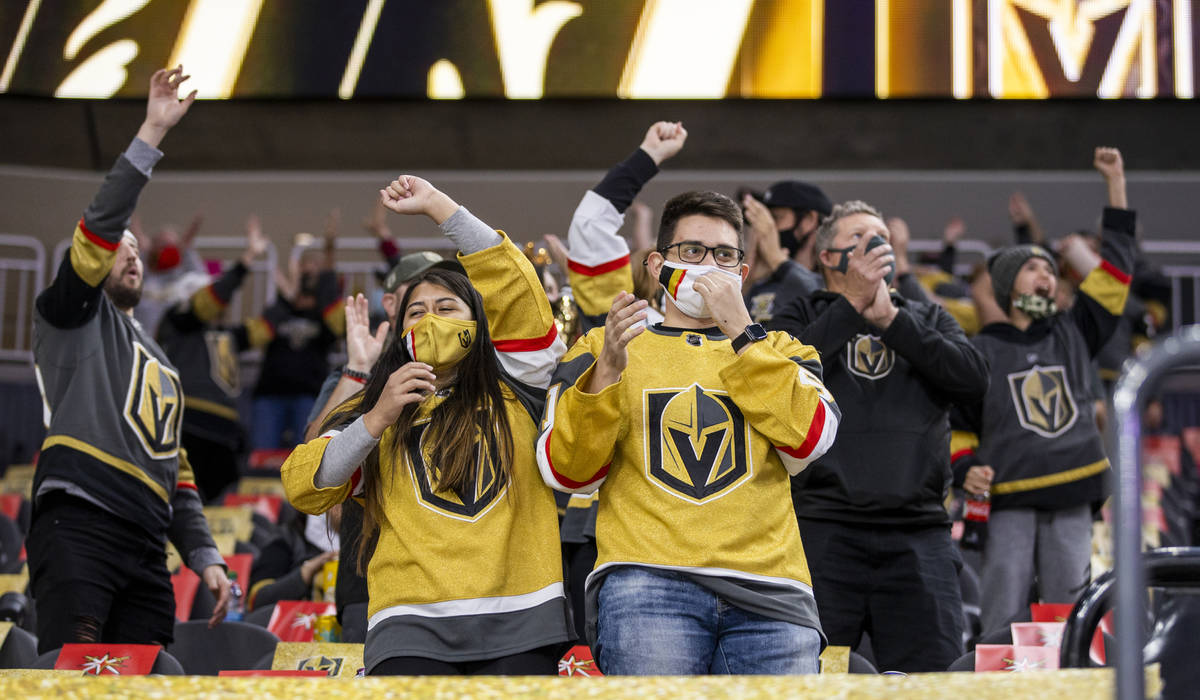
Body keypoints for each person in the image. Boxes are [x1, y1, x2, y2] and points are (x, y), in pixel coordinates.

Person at [538, 190, 840, 675]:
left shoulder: (784, 349)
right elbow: (565, 471)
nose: (708, 266)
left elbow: (811, 440)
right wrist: (608, 373)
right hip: (647, 585)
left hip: (772, 593)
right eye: (692, 252)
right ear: (658, 265)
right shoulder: (604, 345)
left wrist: (742, 332)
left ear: (742, 274)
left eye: (724, 255)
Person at [282, 175, 570, 675]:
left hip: (521, 617)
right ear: (398, 331)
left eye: (446, 308)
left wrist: (440, 207)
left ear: (478, 324)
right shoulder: (378, 409)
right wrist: (375, 418)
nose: (431, 320)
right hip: (408, 625)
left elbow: (513, 286)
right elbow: (305, 484)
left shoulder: (520, 384)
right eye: (416, 311)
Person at [29, 66, 229, 654]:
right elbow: (101, 224)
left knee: (145, 681)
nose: (132, 255)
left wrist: (205, 555)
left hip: (148, 544)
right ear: (91, 258)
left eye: (139, 251)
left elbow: (180, 470)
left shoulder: (163, 363)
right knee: (75, 676)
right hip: (79, 519)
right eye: (120, 247)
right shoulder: (68, 314)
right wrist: (151, 133)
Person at [769, 200, 989, 673]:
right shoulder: (798, 315)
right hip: (822, 528)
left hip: (920, 532)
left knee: (932, 679)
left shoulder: (926, 317)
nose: (877, 248)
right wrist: (852, 306)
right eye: (862, 240)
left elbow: (974, 380)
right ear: (828, 258)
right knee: (811, 677)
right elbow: (777, 378)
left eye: (882, 239)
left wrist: (892, 322)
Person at [951, 147, 1136, 635]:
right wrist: (966, 468)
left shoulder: (1075, 329)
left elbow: (1116, 270)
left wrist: (1115, 184)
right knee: (1001, 616)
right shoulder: (981, 350)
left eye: (1051, 271)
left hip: (1073, 488)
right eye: (1035, 269)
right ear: (1011, 287)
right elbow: (959, 428)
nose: (1047, 276)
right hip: (1009, 495)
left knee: (1069, 617)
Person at [156, 215, 270, 501]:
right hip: (189, 420)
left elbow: (264, 329)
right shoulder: (179, 321)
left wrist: (292, 300)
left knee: (218, 501)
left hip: (225, 427)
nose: (218, 301)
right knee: (182, 500)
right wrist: (247, 260)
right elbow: (212, 299)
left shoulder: (226, 334)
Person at [742, 180, 831, 323]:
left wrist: (776, 258)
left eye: (776, 218)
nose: (768, 230)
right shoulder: (761, 284)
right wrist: (747, 283)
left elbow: (826, 301)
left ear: (809, 219)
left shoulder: (835, 275)